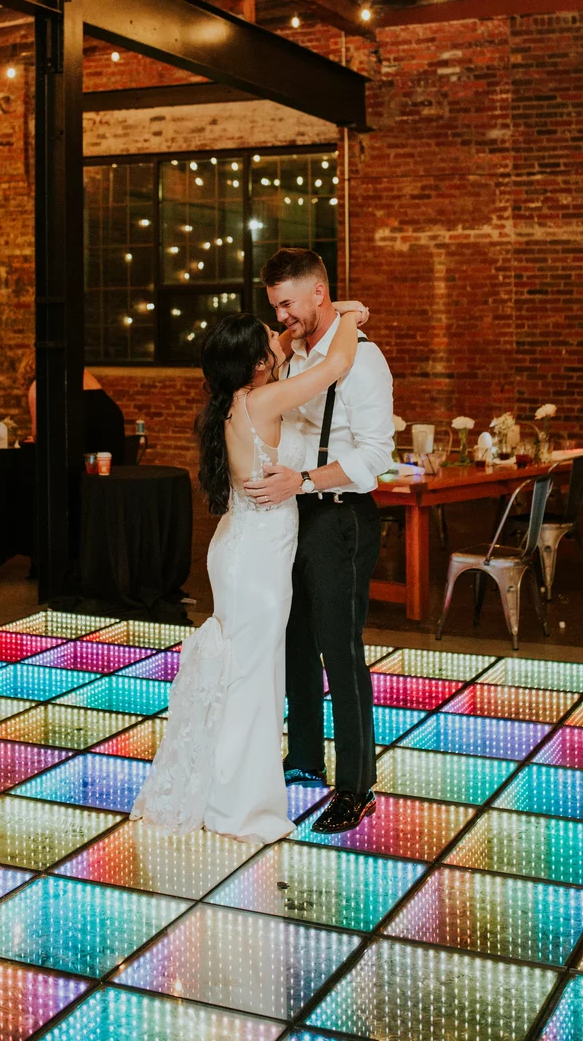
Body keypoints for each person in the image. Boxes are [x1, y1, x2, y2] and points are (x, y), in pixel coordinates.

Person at [131, 303, 366, 842]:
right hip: (256, 564)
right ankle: (242, 809)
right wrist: (349, 315)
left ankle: (219, 790)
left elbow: (281, 344)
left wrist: (295, 326)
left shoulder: (232, 399)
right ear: (257, 363)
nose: (279, 339)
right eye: (270, 340)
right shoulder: (263, 399)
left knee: (241, 673)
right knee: (255, 682)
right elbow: (334, 367)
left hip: (238, 551)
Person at [245, 248, 394, 834]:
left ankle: (357, 786)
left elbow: (376, 457)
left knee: (340, 650)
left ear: (317, 293)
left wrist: (304, 480)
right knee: (296, 645)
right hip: (291, 518)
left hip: (341, 517)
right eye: (274, 305)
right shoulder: (294, 354)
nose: (282, 315)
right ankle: (304, 757)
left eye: (287, 303)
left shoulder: (365, 360)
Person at [19, 352, 126, 463]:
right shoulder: (85, 375)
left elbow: (39, 435)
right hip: (110, 432)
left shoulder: (39, 385)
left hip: (81, 446)